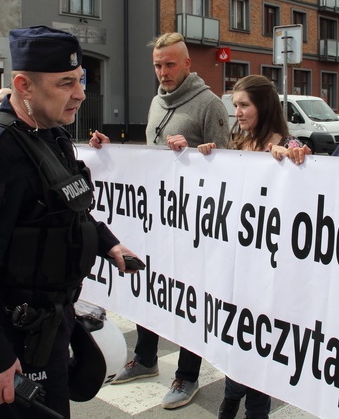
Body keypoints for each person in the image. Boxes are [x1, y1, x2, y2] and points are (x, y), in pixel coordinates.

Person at [0, 25, 141, 418]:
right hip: (19, 333)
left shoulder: (50, 134)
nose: (80, 94)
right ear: (24, 85)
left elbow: (67, 208)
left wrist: (108, 243)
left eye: (80, 80)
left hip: (55, 319)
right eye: (65, 83)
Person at [90, 32, 229, 410]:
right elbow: (150, 160)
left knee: (187, 299)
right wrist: (110, 152)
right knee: (152, 290)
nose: (163, 71)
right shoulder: (156, 101)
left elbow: (228, 167)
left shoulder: (210, 105)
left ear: (187, 65)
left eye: (170, 64)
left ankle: (187, 375)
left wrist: (197, 157)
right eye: (157, 64)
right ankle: (147, 360)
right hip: (157, 221)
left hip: (194, 226)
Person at [197, 75, 308, 419]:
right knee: (238, 341)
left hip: (270, 270)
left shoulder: (290, 144)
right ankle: (231, 398)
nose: (238, 113)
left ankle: (253, 411)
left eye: (244, 105)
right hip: (237, 264)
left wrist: (293, 159)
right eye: (235, 106)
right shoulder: (238, 141)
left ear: (264, 106)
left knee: (261, 344)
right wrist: (208, 158)